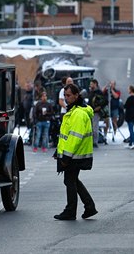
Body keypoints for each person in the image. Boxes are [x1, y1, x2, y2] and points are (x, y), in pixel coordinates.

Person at [53, 83, 97, 221]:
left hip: (75, 155)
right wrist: (58, 151)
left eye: (69, 95)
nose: (66, 98)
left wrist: (65, 156)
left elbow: (74, 138)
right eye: (65, 95)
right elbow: (66, 136)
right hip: (75, 154)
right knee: (72, 181)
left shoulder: (77, 114)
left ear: (76, 96)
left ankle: (71, 211)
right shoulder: (75, 111)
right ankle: (89, 207)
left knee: (70, 181)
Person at [88, 79, 107, 145]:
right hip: (90, 111)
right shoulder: (91, 92)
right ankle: (92, 141)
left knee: (95, 127)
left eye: (91, 84)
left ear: (95, 84)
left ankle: (95, 142)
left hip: (96, 112)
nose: (90, 85)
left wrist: (99, 107)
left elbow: (105, 101)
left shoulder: (99, 92)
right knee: (91, 127)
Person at [124, 85, 134, 149]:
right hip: (133, 114)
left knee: (131, 129)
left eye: (129, 89)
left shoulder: (130, 98)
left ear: (131, 90)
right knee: (131, 128)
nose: (128, 90)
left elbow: (125, 106)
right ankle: (130, 143)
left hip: (129, 115)